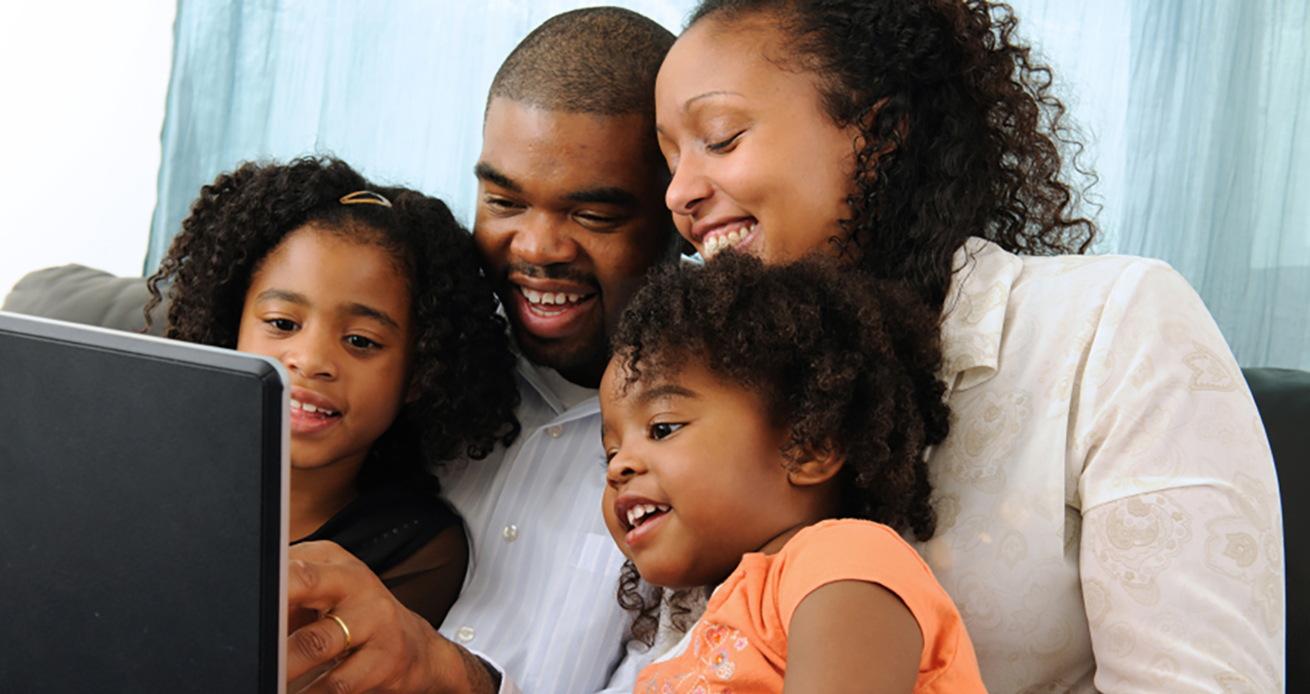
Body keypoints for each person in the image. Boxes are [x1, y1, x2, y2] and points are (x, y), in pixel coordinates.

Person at [654, 1, 1283, 692]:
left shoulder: (1112, 327)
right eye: (669, 159)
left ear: (881, 133)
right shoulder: (722, 391)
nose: (679, 193)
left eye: (720, 138)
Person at [282, 8, 683, 694]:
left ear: (682, 211)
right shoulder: (406, 373)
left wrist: (451, 675)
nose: (536, 248)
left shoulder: (720, 447)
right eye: (503, 200)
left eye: (593, 216)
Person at [144, 156, 521, 628]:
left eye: (361, 341)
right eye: (282, 323)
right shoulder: (145, 468)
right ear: (231, 327)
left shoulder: (418, 547)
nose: (312, 360)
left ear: (421, 373)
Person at [601, 253, 987, 693]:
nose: (619, 465)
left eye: (663, 428)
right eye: (609, 450)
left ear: (809, 447)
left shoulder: (846, 562)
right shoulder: (697, 639)